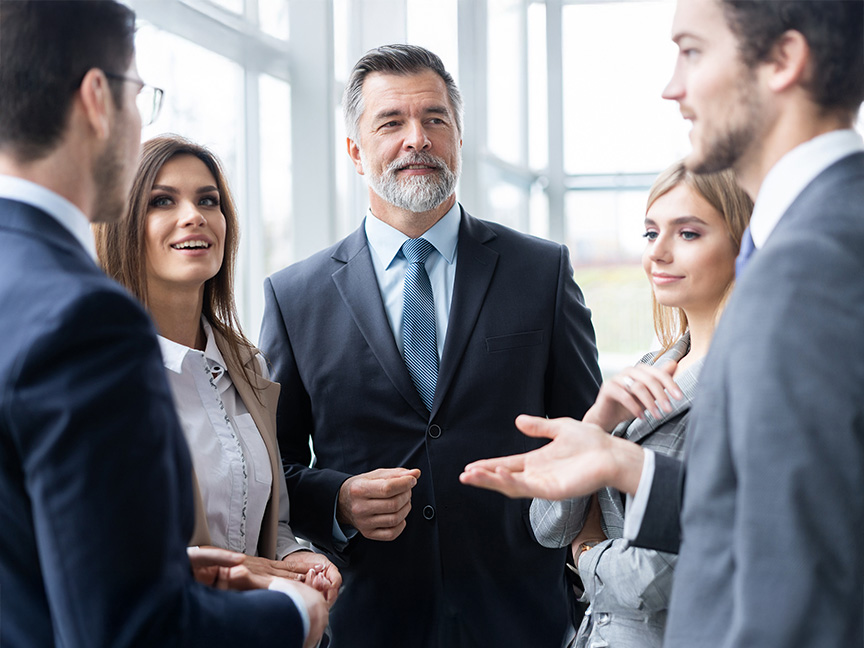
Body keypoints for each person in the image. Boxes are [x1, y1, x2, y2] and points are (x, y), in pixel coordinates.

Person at [461, 0, 864, 645]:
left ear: (784, 60)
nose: (672, 86)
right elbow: (776, 506)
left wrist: (594, 544)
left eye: (693, 51)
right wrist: (627, 466)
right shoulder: (806, 243)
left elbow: (804, 565)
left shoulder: (820, 256)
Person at [0, 3, 327, 647]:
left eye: (207, 200)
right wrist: (293, 617)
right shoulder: (87, 318)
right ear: (98, 99)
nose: (193, 218)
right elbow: (130, 630)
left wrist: (167, 569)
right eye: (137, 95)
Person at [259, 44, 602, 648]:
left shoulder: (540, 272)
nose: (416, 138)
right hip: (373, 621)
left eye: (435, 119)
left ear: (459, 138)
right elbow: (272, 467)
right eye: (391, 122)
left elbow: (587, 435)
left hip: (523, 618)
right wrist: (335, 500)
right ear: (354, 150)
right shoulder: (296, 296)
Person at [95, 135, 341, 603]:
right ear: (120, 224)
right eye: (161, 201)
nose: (195, 215)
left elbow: (271, 523)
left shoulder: (248, 367)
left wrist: (293, 560)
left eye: (208, 200)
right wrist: (223, 569)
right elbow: (95, 544)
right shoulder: (99, 373)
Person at [530, 161, 752, 647]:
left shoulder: (748, 382)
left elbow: (658, 574)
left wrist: (586, 550)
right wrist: (596, 421)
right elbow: (547, 525)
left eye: (688, 234)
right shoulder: (652, 366)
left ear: (742, 243)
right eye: (651, 233)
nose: (659, 252)